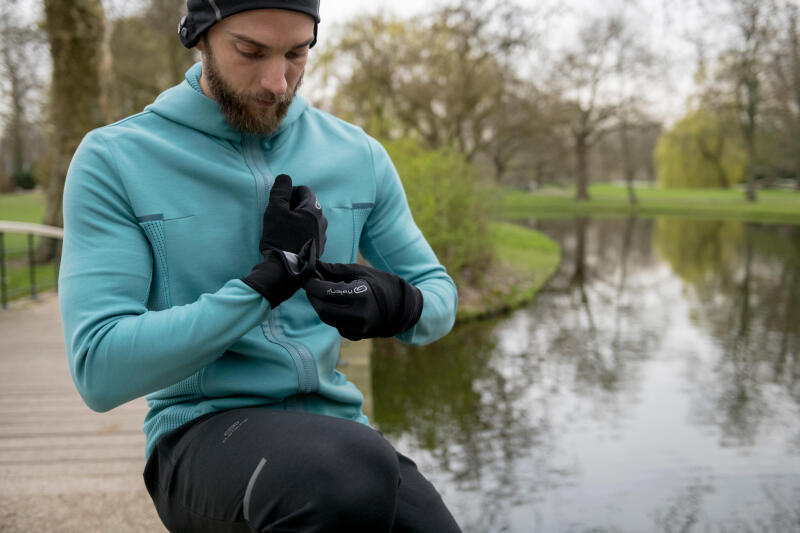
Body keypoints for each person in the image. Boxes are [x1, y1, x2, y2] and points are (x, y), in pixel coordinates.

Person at [58, 1, 462, 531]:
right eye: (250, 52)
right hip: (202, 433)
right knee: (342, 476)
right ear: (199, 38)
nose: (277, 82)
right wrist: (263, 285)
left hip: (340, 430)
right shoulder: (117, 158)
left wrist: (400, 305)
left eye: (297, 53)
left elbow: (438, 293)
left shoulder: (356, 154)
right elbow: (99, 368)